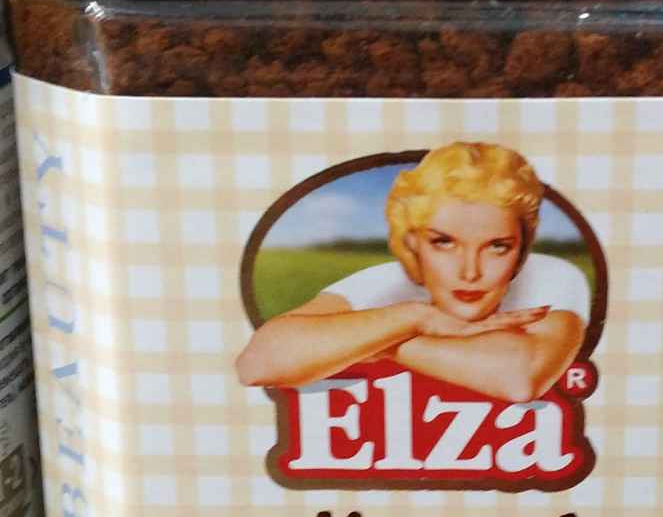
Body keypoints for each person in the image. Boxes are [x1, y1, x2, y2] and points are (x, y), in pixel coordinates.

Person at [237, 141, 589, 405]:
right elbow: (257, 364)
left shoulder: (553, 276)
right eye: (443, 243)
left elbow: (520, 379)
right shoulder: (384, 281)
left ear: (522, 251)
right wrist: (415, 317)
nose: (470, 272)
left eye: (498, 246)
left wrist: (377, 343)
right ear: (412, 243)